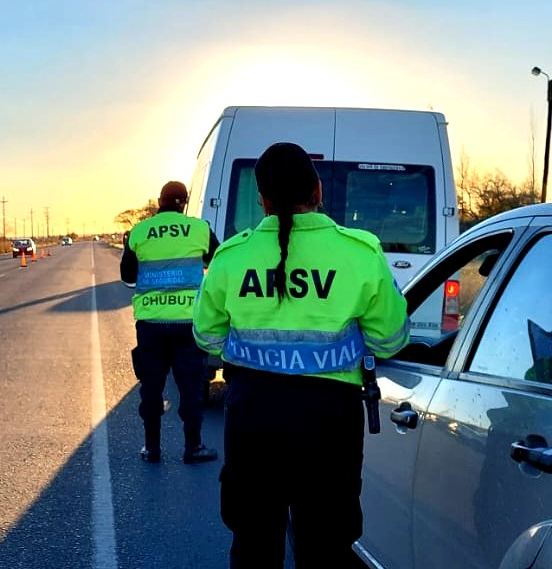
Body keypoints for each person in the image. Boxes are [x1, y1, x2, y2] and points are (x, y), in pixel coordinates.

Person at [192, 142, 410, 568]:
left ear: (262, 200)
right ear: (318, 191)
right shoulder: (360, 252)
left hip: (252, 416)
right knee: (326, 548)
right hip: (330, 421)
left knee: (253, 546)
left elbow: (206, 337)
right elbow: (390, 340)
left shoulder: (230, 257)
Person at [120, 180, 221, 464]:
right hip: (187, 322)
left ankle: (152, 448)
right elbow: (217, 261)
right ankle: (193, 447)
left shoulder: (140, 231)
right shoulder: (199, 229)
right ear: (184, 203)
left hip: (151, 324)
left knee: (151, 387)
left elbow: (127, 276)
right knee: (191, 386)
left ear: (159, 201)